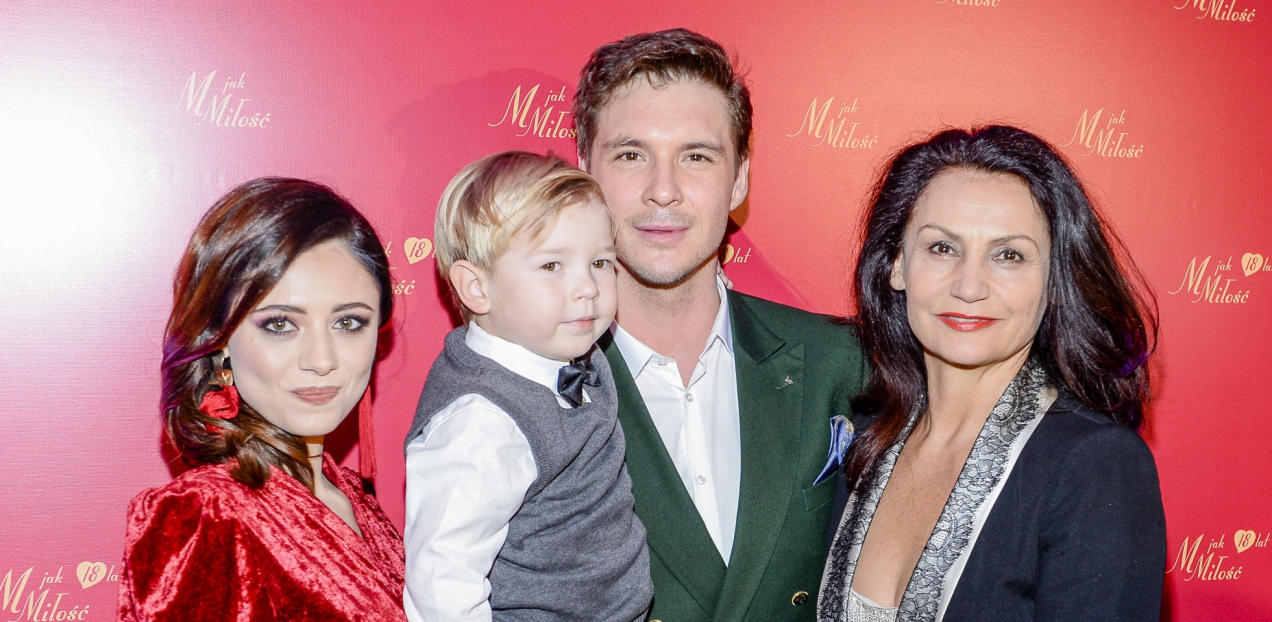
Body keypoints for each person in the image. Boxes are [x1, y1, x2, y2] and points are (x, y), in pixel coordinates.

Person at [573, 29, 869, 621]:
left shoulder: (840, 362)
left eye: (696, 157)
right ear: (585, 174)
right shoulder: (530, 388)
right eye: (631, 155)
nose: (662, 191)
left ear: (739, 180)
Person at [818, 125, 1166, 622]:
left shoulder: (1095, 466)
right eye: (942, 248)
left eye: (1009, 255)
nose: (969, 286)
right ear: (896, 264)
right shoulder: (864, 435)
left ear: (1054, 282)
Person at [117, 178, 406, 621]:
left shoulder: (352, 496)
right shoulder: (205, 516)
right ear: (220, 339)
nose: (321, 360)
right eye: (280, 325)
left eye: (348, 322)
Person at [402, 151, 652, 622]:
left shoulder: (578, 353)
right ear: (477, 288)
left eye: (600, 262)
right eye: (552, 266)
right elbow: (441, 584)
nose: (588, 287)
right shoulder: (480, 423)